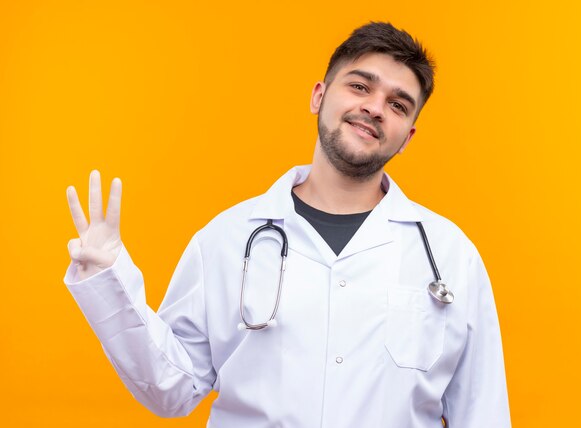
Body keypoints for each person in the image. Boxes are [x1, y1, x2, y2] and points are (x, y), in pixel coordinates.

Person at [64, 22, 511, 427]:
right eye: (360, 86)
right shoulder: (226, 239)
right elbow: (172, 388)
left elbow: (483, 412)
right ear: (319, 96)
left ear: (407, 136)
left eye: (398, 105)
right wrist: (109, 280)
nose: (375, 108)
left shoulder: (451, 256)